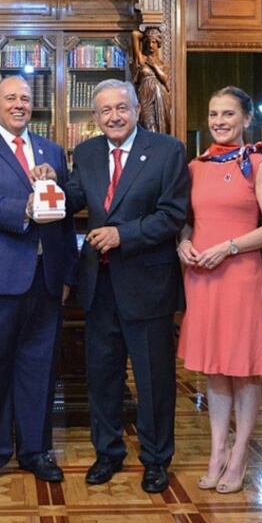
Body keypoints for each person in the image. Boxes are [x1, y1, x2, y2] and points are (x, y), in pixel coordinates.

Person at [0, 75, 77, 492]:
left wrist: (65, 273)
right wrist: (23, 205)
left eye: (24, 98)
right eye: (10, 98)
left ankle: (36, 451)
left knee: (39, 370)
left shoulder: (51, 150)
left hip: (44, 280)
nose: (19, 104)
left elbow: (64, 214)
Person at [65, 79, 189, 494]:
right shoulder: (86, 153)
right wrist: (48, 181)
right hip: (98, 285)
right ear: (95, 116)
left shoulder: (167, 150)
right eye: (105, 111)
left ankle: (156, 459)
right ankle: (108, 453)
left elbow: (172, 215)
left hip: (147, 282)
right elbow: (73, 198)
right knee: (103, 375)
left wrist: (123, 234)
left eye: (121, 108)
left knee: (154, 379)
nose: (114, 116)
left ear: (137, 109)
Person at [176, 86, 262, 494]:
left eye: (228, 114)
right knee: (214, 366)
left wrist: (229, 246)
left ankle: (240, 455)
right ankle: (217, 451)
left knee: (243, 366)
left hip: (240, 275)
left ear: (245, 119)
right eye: (214, 114)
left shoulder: (257, 163)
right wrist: (183, 242)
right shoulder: (195, 166)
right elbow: (187, 220)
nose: (219, 121)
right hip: (202, 277)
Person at [130, 27, 172, 135]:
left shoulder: (162, 64)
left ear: (158, 44)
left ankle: (160, 149)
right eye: (148, 42)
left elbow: (164, 78)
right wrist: (144, 36)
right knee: (148, 125)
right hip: (145, 97)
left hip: (161, 97)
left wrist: (153, 65)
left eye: (153, 42)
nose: (150, 45)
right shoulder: (142, 59)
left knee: (162, 128)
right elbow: (135, 34)